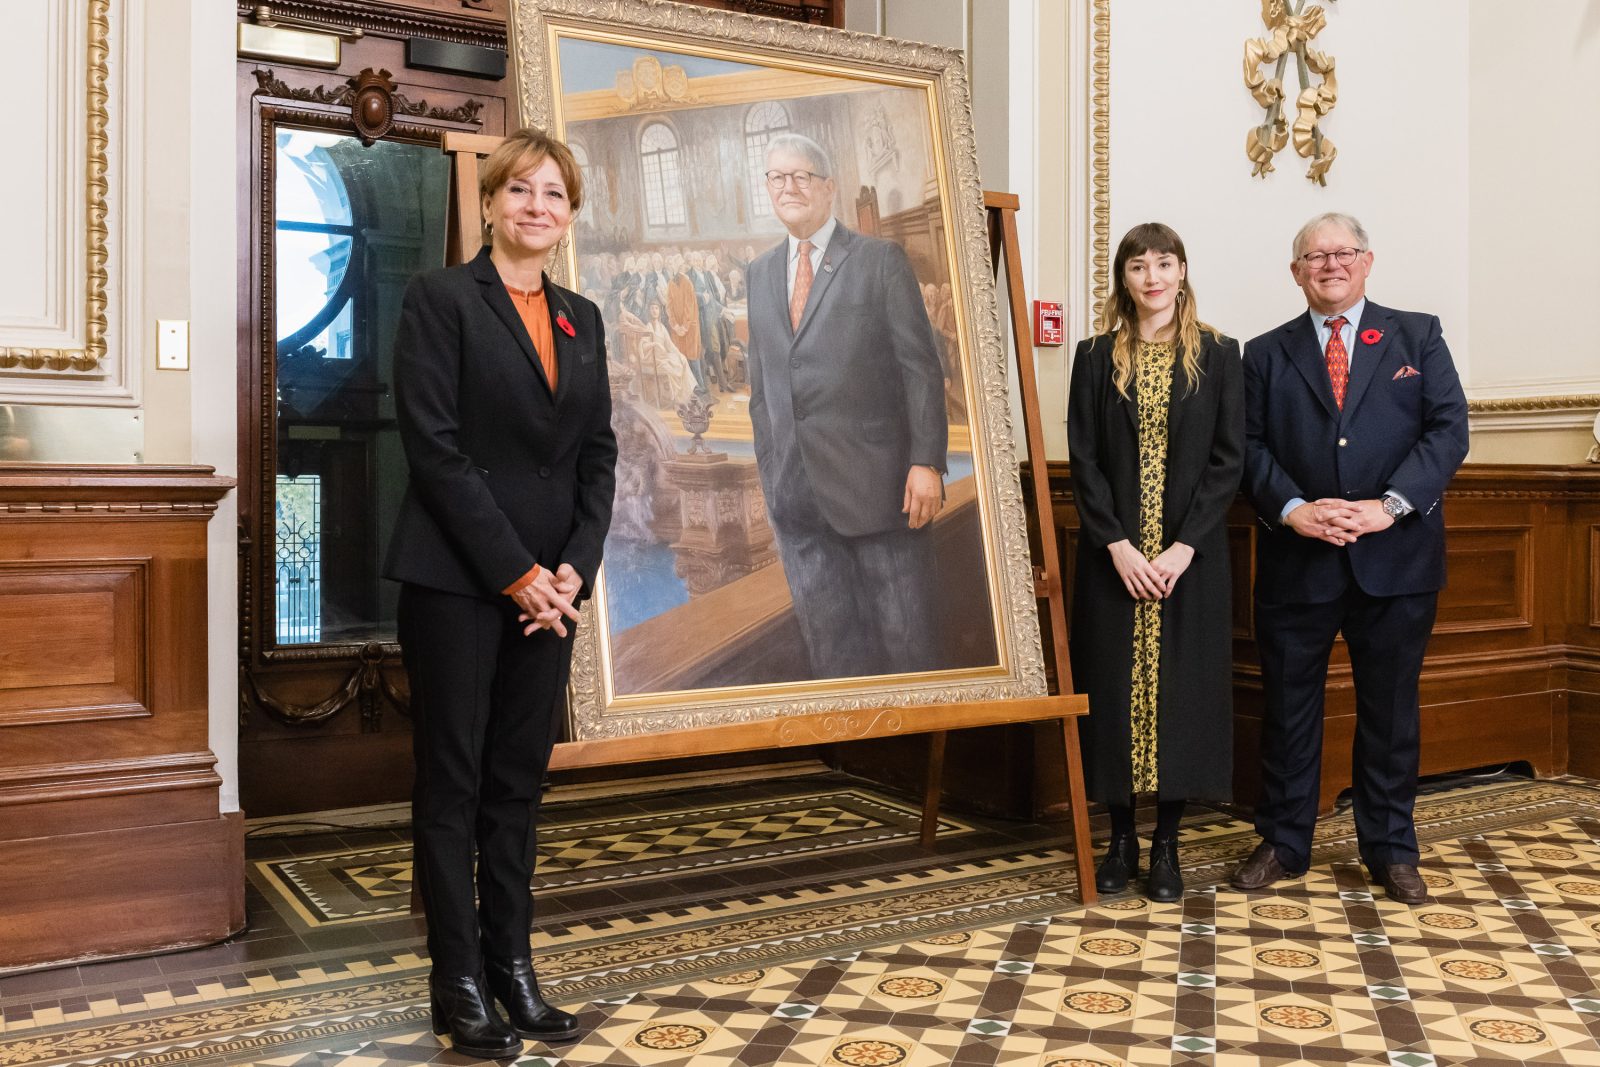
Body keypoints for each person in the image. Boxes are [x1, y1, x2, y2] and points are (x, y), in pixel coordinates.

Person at [382, 127, 617, 1058]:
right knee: (454, 782)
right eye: (520, 190)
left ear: (570, 216)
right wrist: (514, 571)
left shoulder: (583, 317)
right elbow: (434, 450)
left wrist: (572, 566)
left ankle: (514, 968)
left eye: (554, 195)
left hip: (550, 592)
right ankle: (458, 984)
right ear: (488, 204)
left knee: (517, 783)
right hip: (457, 582)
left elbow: (598, 454)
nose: (536, 207)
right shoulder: (440, 299)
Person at [1230, 212, 1468, 905]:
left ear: (1368, 261)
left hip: (1395, 559)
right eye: (1314, 255)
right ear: (1296, 270)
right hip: (1298, 561)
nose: (1329, 264)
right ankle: (1283, 840)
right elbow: (1248, 446)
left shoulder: (1416, 335)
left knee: (1391, 712)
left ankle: (1391, 848)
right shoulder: (1264, 353)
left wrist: (1389, 505)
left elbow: (1449, 430)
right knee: (1288, 708)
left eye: (1342, 253)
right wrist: (1294, 508)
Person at [1067, 223, 1244, 903]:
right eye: (1138, 266)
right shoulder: (1092, 356)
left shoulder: (1221, 355)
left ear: (1182, 270)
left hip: (1187, 563)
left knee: (1182, 694)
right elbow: (1084, 459)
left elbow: (1229, 460)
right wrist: (1115, 544)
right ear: (1124, 278)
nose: (1152, 277)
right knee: (1112, 692)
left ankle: (1167, 843)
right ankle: (1120, 838)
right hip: (1111, 559)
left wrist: (1180, 549)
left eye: (1164, 263)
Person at [746, 132, 947, 679]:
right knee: (831, 656)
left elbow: (921, 368)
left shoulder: (879, 260)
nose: (788, 187)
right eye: (776, 178)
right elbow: (761, 389)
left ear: (829, 188)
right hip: (798, 501)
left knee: (907, 647)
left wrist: (927, 462)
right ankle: (848, 764)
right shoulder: (759, 273)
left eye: (801, 176)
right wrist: (771, 471)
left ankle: (906, 764)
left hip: (882, 494)